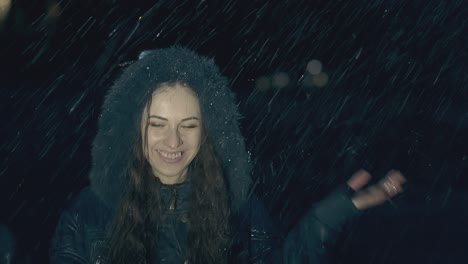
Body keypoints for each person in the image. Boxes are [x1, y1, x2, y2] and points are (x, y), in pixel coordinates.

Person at [50, 47, 405, 263]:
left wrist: (319, 224)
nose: (172, 141)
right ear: (135, 128)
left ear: (206, 131)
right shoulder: (88, 216)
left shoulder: (240, 211)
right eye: (158, 124)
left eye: (188, 125)